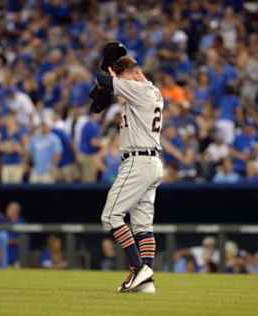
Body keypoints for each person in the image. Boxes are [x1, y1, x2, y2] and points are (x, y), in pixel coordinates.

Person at [97, 56, 163, 293]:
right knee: (143, 226)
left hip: (138, 161)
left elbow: (102, 79)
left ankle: (138, 268)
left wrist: (110, 74)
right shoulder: (150, 91)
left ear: (133, 73)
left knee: (111, 216)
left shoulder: (139, 88)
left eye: (121, 74)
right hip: (151, 161)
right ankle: (146, 282)